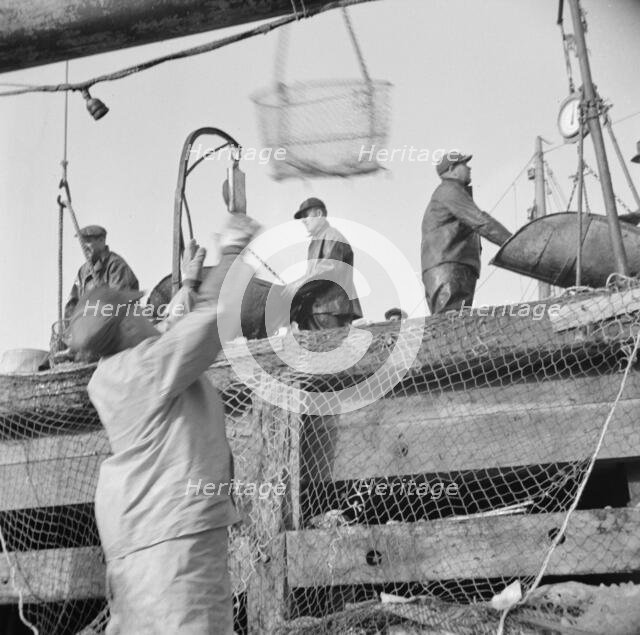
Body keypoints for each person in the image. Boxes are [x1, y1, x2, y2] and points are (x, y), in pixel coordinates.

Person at [67, 215, 260, 634]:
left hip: (137, 541)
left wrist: (189, 284)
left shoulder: (118, 371)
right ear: (127, 324)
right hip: (174, 543)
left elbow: (175, 329)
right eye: (135, 310)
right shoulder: (148, 366)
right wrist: (233, 250)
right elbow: (209, 322)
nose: (143, 313)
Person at [421, 152, 512, 314]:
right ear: (452, 170)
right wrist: (514, 243)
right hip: (449, 267)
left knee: (453, 321)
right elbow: (481, 221)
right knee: (451, 321)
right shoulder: (449, 190)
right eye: (464, 164)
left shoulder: (450, 192)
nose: (469, 168)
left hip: (449, 266)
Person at [288, 197, 362, 330]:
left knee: (330, 348)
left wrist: (295, 286)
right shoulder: (317, 240)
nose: (303, 221)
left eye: (306, 215)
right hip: (316, 310)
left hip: (329, 309)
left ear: (319, 214)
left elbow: (328, 270)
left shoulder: (333, 236)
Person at [64, 225, 139, 320]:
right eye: (82, 242)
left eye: (88, 241)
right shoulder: (83, 271)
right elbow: (72, 302)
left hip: (116, 327)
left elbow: (120, 301)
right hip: (90, 326)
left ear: (102, 241)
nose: (83, 246)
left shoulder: (116, 265)